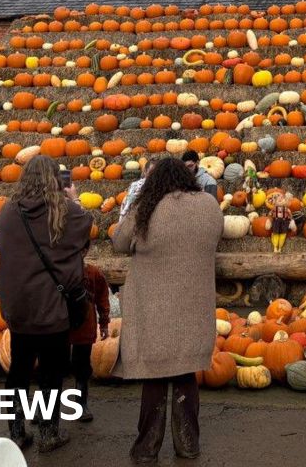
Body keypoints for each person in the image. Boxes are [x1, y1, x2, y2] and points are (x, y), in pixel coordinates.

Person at [111, 158, 223, 462]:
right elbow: (217, 237)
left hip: (155, 309)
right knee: (186, 373)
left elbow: (119, 241)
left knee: (155, 377)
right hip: (195, 307)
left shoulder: (148, 208)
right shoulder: (209, 206)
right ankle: (188, 444)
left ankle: (147, 447)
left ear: (155, 182)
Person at [0, 155, 93, 452]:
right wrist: (74, 199)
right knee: (52, 372)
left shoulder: (8, 211)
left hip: (19, 307)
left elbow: (1, 247)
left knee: (19, 370)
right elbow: (85, 229)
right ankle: (49, 433)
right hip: (52, 307)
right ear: (55, 179)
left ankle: (16, 431)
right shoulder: (65, 211)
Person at [68, 262, 110, 422]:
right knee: (53, 367)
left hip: (85, 327)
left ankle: (81, 403)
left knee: (82, 367)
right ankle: (45, 407)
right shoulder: (58, 269)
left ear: (85, 251)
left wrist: (104, 322)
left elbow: (102, 298)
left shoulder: (93, 273)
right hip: (59, 326)